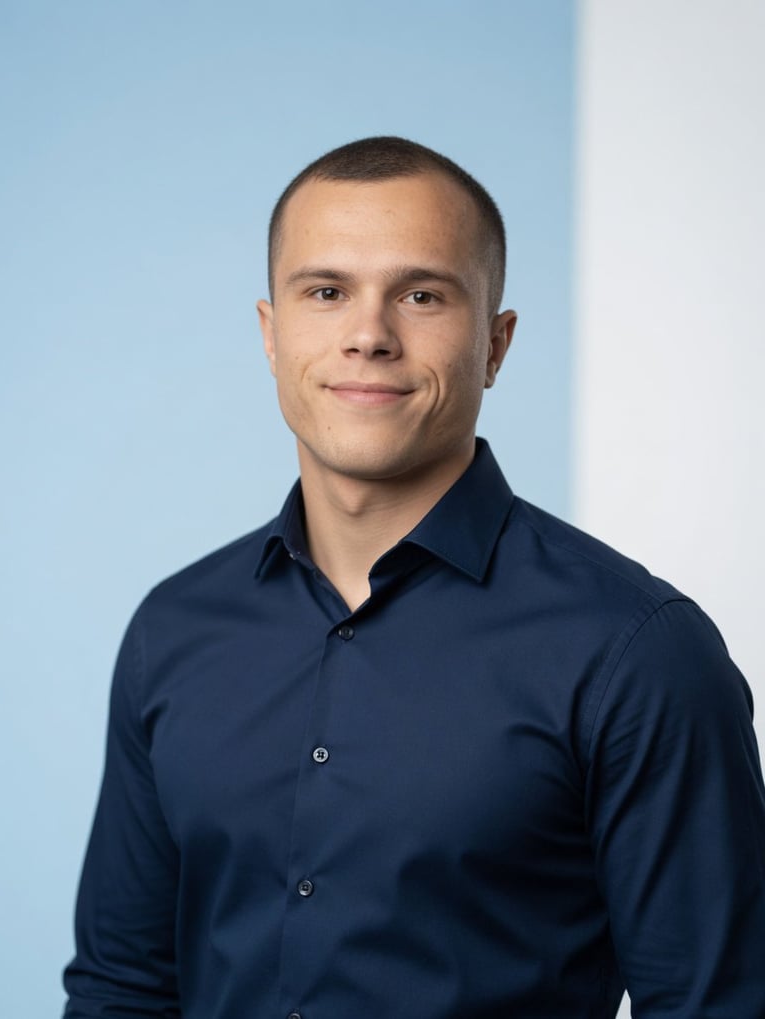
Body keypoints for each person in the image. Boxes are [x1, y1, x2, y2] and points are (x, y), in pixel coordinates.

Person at [63, 136, 765, 1018]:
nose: (368, 336)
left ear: (497, 344)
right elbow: (122, 990)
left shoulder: (638, 653)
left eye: (422, 295)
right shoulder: (174, 629)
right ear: (271, 336)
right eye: (326, 293)